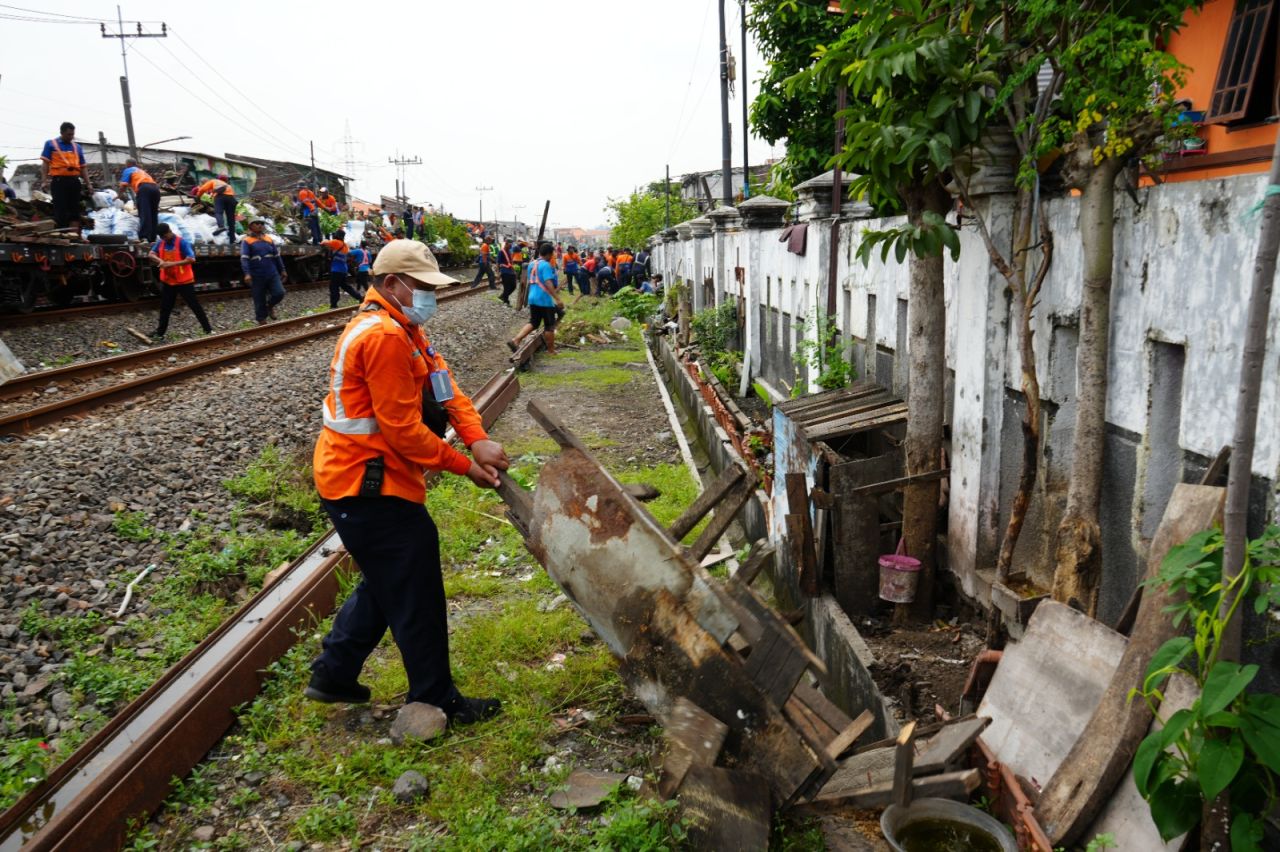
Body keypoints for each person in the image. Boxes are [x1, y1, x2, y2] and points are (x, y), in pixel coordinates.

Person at [308, 239, 508, 725]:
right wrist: (465, 466)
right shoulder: (383, 337)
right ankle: (437, 696)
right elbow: (403, 433)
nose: (429, 297)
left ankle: (334, 674)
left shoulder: (406, 328)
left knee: (388, 576)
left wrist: (476, 437)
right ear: (392, 284)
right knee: (414, 584)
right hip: (366, 484)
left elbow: (447, 387)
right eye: (422, 287)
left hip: (366, 479)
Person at [149, 223, 212, 338]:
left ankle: (208, 330)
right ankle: (160, 333)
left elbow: (191, 258)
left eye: (165, 236)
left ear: (169, 231)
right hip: (169, 281)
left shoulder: (182, 242)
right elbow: (151, 254)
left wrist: (172, 264)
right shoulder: (161, 242)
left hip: (184, 281)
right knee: (165, 308)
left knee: (194, 305)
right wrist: (160, 261)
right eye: (161, 237)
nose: (164, 239)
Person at [509, 242, 561, 355]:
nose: (552, 256)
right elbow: (548, 283)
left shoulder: (532, 264)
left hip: (532, 297)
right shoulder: (546, 265)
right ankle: (551, 351)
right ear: (548, 254)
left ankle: (516, 340)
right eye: (552, 254)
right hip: (544, 299)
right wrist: (557, 299)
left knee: (534, 322)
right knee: (549, 325)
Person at [40, 122, 86, 230]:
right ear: (62, 133)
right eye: (69, 134)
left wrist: (88, 184)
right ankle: (63, 234)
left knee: (75, 209)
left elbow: (83, 167)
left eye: (72, 134)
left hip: (74, 181)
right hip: (59, 181)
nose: (71, 137)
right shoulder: (50, 144)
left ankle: (74, 234)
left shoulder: (77, 147)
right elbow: (45, 164)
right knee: (60, 209)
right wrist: (44, 181)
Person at [240, 218, 287, 324]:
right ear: (251, 226)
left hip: (272, 272)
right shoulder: (247, 241)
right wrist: (247, 274)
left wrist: (283, 270)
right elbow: (244, 258)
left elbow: (277, 256)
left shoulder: (269, 239)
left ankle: (269, 306)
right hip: (256, 274)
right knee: (259, 298)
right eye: (257, 223)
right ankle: (262, 321)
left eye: (262, 224)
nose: (260, 225)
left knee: (279, 293)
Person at [119, 158, 161, 242]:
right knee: (153, 214)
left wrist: (119, 194)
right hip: (156, 189)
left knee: (144, 213)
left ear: (128, 164)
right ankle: (153, 238)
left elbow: (123, 185)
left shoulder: (128, 170)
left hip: (144, 188)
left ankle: (144, 237)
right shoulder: (141, 171)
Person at [321, 231, 363, 308]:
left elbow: (323, 242)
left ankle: (334, 304)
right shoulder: (345, 245)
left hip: (336, 270)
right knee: (345, 286)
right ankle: (359, 297)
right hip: (343, 270)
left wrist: (325, 240)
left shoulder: (336, 242)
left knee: (334, 287)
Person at [192, 173, 237, 239]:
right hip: (231, 199)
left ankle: (221, 226)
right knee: (230, 218)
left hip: (220, 198)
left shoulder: (214, 181)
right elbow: (232, 195)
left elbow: (202, 189)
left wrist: (198, 197)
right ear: (227, 180)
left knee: (218, 212)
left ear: (218, 178)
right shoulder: (228, 186)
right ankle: (232, 238)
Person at [497, 239, 517, 306]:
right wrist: (498, 273)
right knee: (507, 287)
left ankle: (503, 296)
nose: (511, 246)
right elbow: (498, 263)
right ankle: (506, 301)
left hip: (510, 271)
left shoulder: (509, 252)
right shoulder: (501, 252)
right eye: (510, 244)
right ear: (506, 243)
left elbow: (510, 262)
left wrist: (514, 271)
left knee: (514, 286)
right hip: (504, 271)